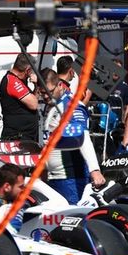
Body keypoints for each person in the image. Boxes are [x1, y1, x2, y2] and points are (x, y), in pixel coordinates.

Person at [40, 69, 106, 204]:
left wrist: (94, 170)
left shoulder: (71, 106)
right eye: (42, 93)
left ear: (59, 85)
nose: (46, 96)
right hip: (54, 178)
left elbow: (83, 139)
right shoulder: (52, 106)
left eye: (49, 92)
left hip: (70, 180)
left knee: (72, 220)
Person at [0, 52, 40, 142]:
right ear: (28, 70)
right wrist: (37, 83)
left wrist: (36, 86)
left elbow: (33, 99)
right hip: (17, 138)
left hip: (26, 137)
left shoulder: (18, 81)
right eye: (32, 70)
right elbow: (33, 104)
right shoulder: (13, 82)